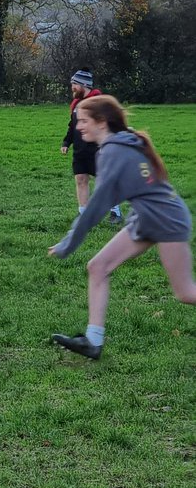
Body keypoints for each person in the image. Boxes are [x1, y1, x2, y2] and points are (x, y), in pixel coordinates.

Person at [49, 95, 194, 359]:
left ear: (101, 122)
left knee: (185, 292)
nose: (78, 127)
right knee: (98, 267)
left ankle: (93, 341)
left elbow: (96, 207)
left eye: (83, 121)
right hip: (146, 218)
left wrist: (68, 243)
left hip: (166, 220)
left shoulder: (113, 150)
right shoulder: (119, 145)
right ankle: (93, 342)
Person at [61, 68, 122, 225]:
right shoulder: (75, 104)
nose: (72, 88)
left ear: (83, 85)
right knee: (81, 179)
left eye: (74, 84)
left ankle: (115, 212)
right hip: (80, 151)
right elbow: (72, 125)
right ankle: (84, 214)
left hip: (98, 150)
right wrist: (67, 142)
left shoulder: (99, 103)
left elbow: (111, 124)